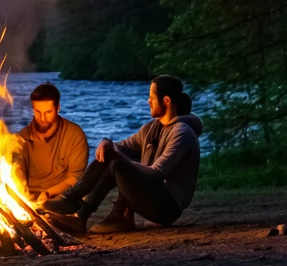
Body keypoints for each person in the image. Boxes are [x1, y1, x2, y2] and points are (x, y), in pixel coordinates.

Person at [42, 75, 202, 234]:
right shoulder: (152, 128)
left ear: (166, 101)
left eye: (151, 97)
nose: (148, 101)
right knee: (112, 155)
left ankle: (76, 207)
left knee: (117, 163)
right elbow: (120, 148)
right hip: (152, 196)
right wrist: (106, 142)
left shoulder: (182, 133)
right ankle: (76, 207)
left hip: (167, 207)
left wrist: (117, 156)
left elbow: (157, 173)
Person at [15, 83, 89, 202]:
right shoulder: (22, 137)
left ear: (58, 108)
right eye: (38, 112)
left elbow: (75, 178)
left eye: (48, 112)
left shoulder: (74, 135)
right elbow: (15, 173)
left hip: (61, 196)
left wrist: (47, 194)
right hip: (28, 197)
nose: (42, 118)